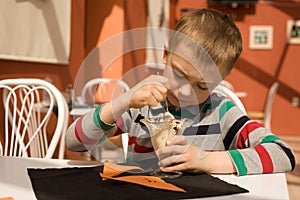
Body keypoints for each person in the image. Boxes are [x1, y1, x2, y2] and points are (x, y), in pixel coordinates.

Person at [66, 8, 295, 176]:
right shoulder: (142, 106)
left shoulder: (221, 112)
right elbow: (74, 142)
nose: (186, 92)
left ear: (220, 81)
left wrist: (206, 161)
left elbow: (283, 154)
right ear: (165, 55)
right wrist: (123, 101)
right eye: (179, 73)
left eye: (202, 85)